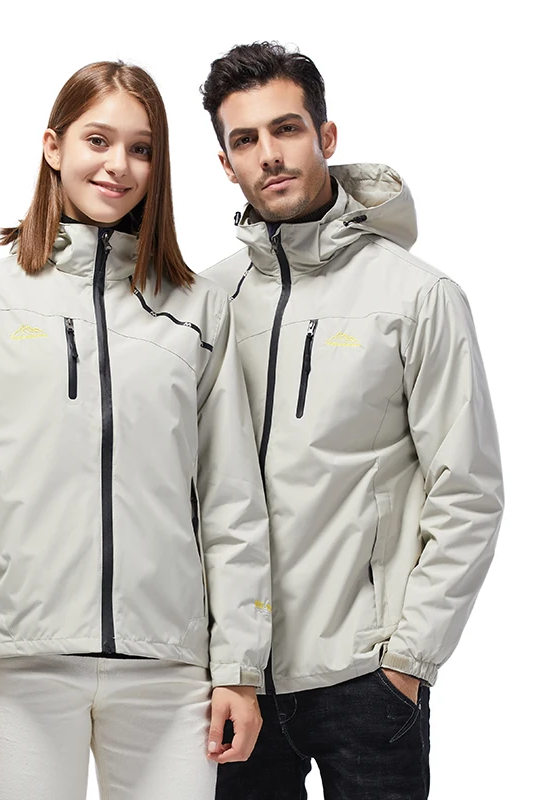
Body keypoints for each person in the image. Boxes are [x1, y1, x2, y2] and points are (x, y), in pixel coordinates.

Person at [0, 61, 272, 800]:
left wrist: (239, 667)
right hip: (19, 665)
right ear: (53, 146)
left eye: (141, 148)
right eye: (98, 140)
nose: (118, 165)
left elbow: (231, 498)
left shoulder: (198, 309)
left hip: (170, 670)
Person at [200, 42, 505, 799]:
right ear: (226, 163)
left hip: (366, 679)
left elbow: (467, 490)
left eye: (287, 129)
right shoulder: (204, 303)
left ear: (326, 136)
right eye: (246, 139)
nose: (270, 154)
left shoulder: (418, 297)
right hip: (233, 682)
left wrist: (408, 660)